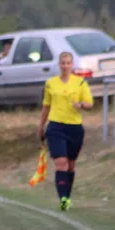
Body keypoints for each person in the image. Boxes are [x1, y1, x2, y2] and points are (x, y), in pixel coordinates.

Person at [39, 51, 93, 211]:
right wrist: (41, 125)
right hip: (55, 126)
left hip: (75, 128)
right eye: (63, 63)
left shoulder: (80, 83)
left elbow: (90, 104)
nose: (65, 66)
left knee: (70, 165)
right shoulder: (50, 83)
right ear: (59, 65)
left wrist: (81, 104)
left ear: (72, 65)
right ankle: (62, 197)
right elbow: (46, 106)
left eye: (68, 63)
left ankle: (67, 197)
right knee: (60, 163)